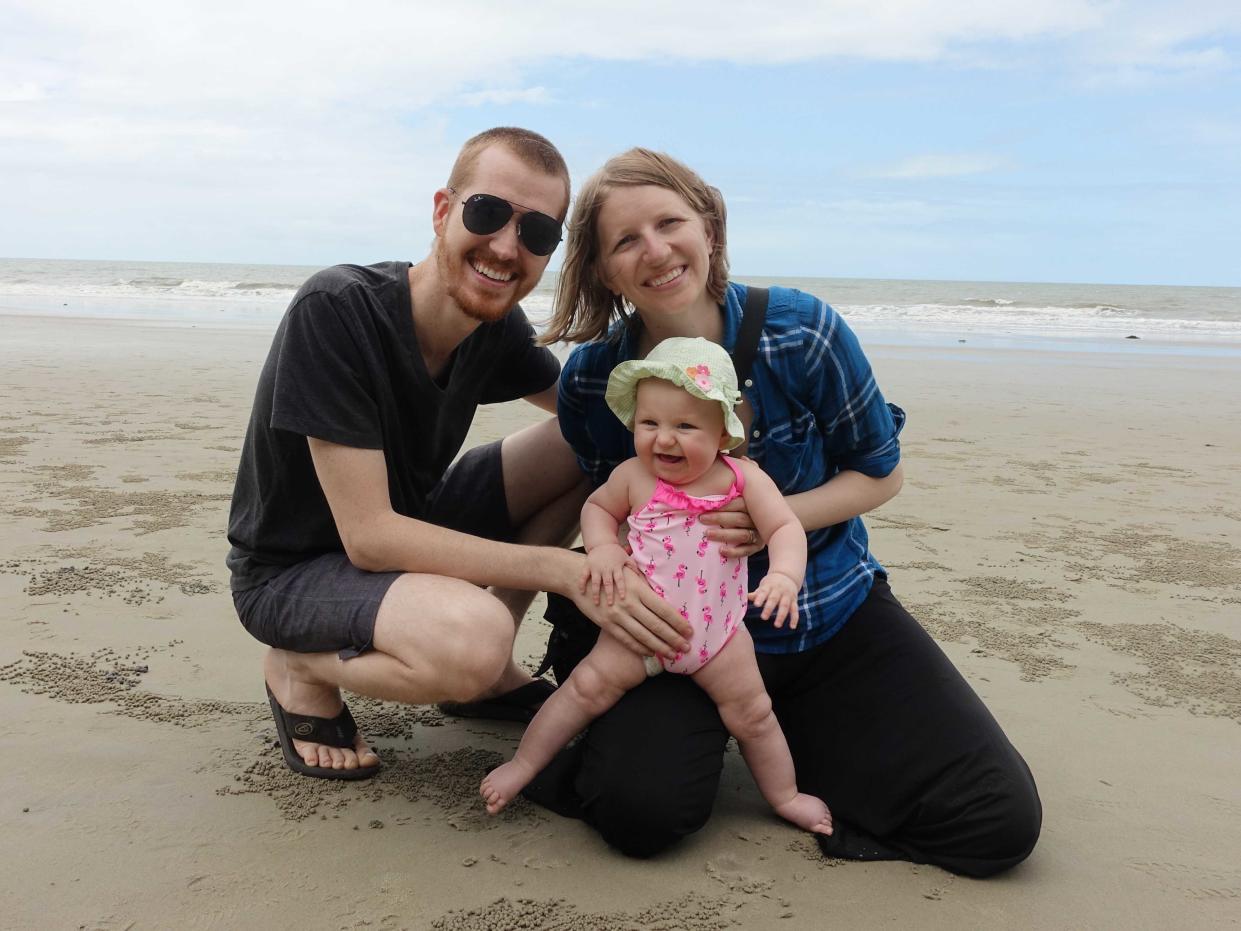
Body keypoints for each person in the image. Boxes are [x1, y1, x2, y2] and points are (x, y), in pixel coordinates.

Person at [523, 148, 1042, 878]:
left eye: (669, 222)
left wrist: (773, 518)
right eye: (625, 240)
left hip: (826, 610)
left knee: (995, 821)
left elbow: (879, 472)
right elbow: (605, 506)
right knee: (639, 811)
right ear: (603, 269)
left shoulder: (802, 331)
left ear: (707, 225)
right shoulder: (592, 381)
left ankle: (786, 734)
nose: (656, 250)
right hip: (675, 639)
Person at [225, 128, 693, 781]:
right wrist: (563, 569)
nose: (506, 246)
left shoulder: (494, 326)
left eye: (536, 233)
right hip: (293, 573)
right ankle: (297, 665)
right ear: (443, 210)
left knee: (591, 437)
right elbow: (371, 539)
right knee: (471, 641)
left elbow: (602, 414)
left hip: (414, 518)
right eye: (486, 212)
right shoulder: (337, 310)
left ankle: (490, 667)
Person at [481, 337, 831, 835]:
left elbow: (785, 528)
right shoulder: (631, 477)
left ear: (723, 434)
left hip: (719, 636)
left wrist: (783, 575)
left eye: (685, 426)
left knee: (753, 715)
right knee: (583, 689)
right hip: (637, 628)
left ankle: (785, 796)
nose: (663, 439)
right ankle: (524, 765)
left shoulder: (743, 479)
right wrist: (602, 547)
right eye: (650, 424)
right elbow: (597, 510)